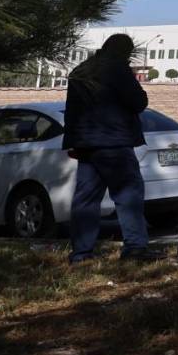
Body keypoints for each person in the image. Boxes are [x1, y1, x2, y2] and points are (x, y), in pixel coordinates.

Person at [62, 34, 159, 263]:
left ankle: (81, 253)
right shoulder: (117, 69)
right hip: (114, 142)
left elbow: (71, 110)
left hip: (86, 144)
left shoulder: (81, 70)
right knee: (128, 195)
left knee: (85, 200)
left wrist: (74, 142)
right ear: (125, 51)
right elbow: (138, 102)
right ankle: (135, 248)